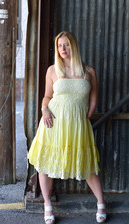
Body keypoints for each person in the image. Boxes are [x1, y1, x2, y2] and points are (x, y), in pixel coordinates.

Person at [28, 31, 107, 224]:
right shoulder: (53, 70)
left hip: (78, 126)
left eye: (67, 45)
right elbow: (47, 97)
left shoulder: (89, 72)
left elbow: (93, 101)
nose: (63, 49)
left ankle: (101, 203)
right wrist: (44, 109)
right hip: (53, 123)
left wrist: (80, 118)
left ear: (74, 46)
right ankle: (48, 206)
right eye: (59, 45)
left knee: (88, 167)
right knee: (45, 164)